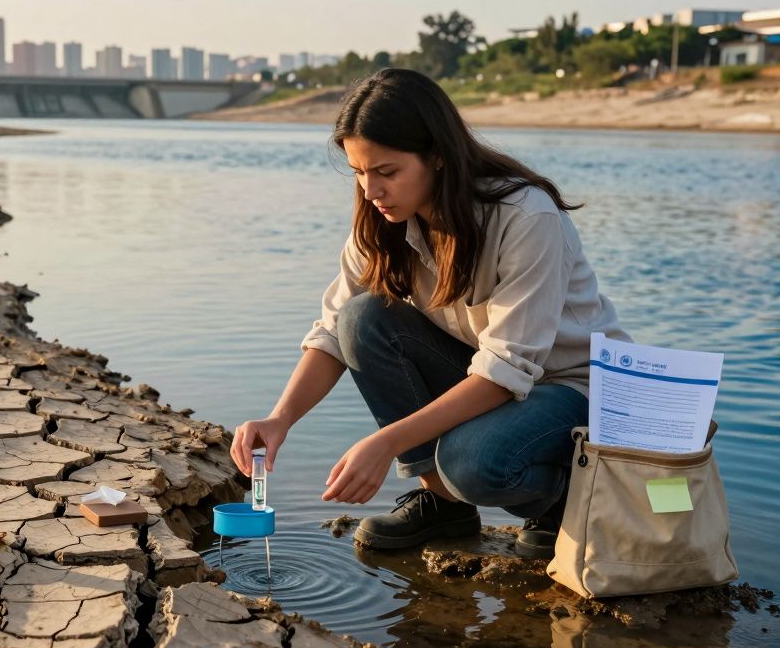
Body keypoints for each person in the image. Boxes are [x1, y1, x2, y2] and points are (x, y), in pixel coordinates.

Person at [231, 68, 631, 558]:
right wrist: (279, 419)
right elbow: (333, 332)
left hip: (575, 387)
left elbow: (506, 367)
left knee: (470, 462)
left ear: (437, 156)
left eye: (387, 172)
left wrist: (385, 444)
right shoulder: (382, 221)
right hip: (491, 376)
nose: (371, 190)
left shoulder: (527, 217)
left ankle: (562, 499)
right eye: (359, 172)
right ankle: (445, 505)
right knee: (363, 319)